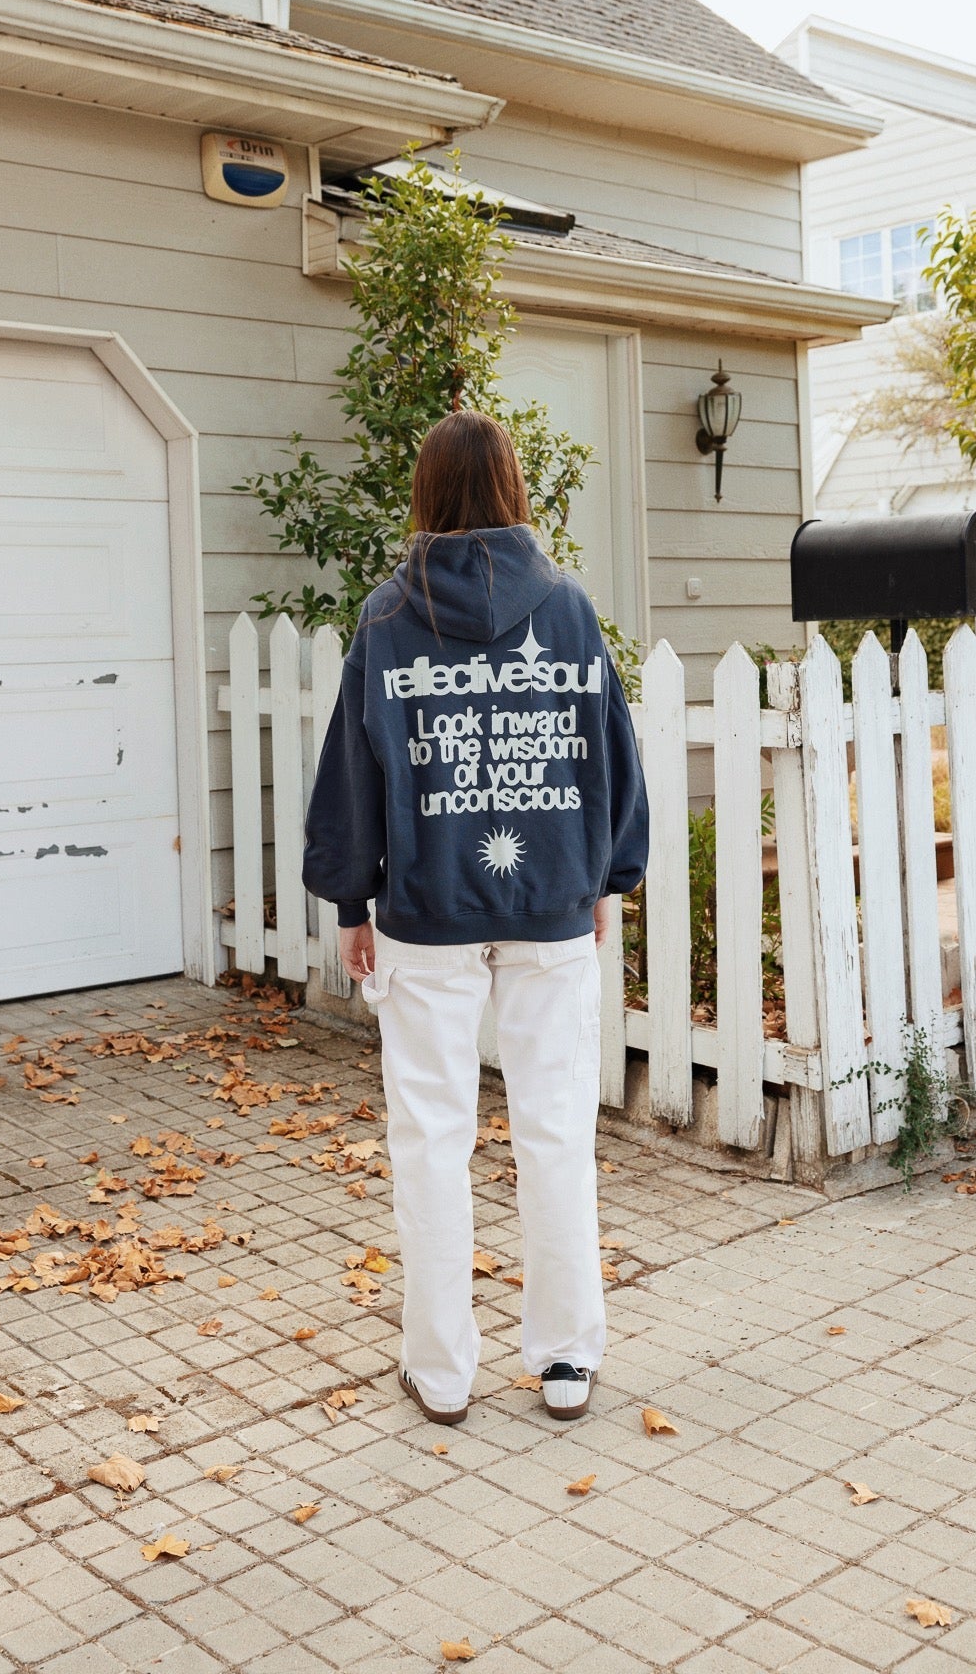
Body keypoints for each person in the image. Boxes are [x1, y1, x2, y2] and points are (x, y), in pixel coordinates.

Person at [302, 410, 648, 1427]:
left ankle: (442, 1367)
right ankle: (565, 1357)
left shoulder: (384, 617)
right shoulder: (569, 609)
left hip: (425, 907)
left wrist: (350, 898)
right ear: (511, 489)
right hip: (545, 902)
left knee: (430, 1137)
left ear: (424, 492)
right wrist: (602, 872)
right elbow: (609, 752)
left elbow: (353, 771)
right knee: (552, 1129)